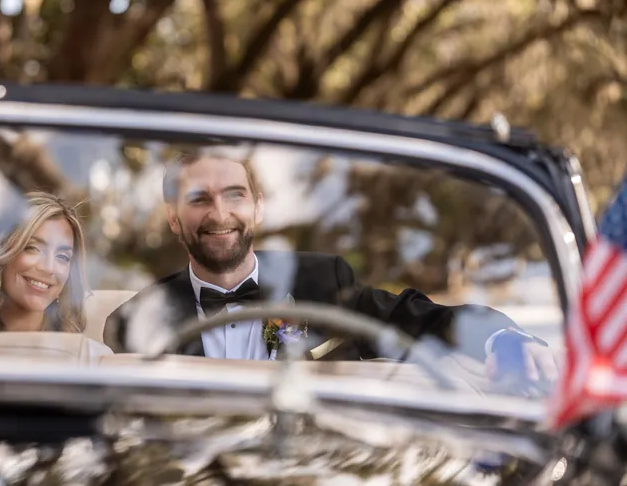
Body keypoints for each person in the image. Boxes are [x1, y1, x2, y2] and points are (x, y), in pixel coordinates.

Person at [104, 150, 557, 381]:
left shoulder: (324, 281)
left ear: (258, 208)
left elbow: (415, 318)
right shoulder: (136, 320)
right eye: (199, 199)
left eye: (234, 195)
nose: (219, 214)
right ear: (173, 218)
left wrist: (499, 336)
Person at [0, 191, 112, 356]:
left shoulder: (86, 357)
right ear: (0, 252)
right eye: (32, 248)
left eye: (62, 256)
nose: (49, 268)